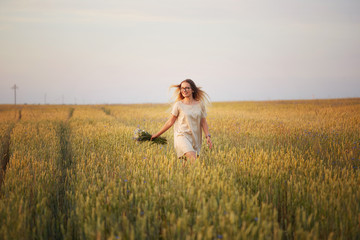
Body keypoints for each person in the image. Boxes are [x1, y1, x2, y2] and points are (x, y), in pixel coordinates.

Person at [151, 79, 212, 163]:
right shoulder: (178, 105)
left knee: (187, 165)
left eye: (187, 88)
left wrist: (207, 136)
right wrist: (157, 135)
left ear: (193, 90)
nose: (184, 90)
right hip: (182, 136)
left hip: (195, 137)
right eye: (182, 88)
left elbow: (203, 122)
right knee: (193, 159)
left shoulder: (200, 104)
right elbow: (170, 121)